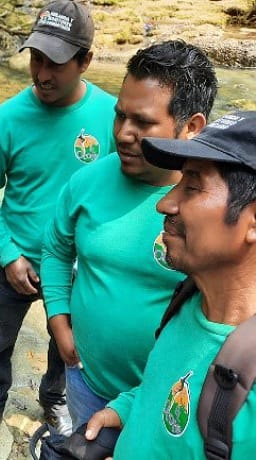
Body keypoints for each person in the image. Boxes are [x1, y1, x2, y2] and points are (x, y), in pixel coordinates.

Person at [41, 39, 217, 434]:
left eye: (143, 122)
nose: (123, 133)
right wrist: (58, 320)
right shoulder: (86, 182)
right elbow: (54, 249)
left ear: (191, 127)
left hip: (167, 401)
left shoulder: (215, 212)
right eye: (120, 116)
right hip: (86, 381)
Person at [0, 0, 116, 455]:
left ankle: (53, 399)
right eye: (36, 58)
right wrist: (7, 255)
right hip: (16, 260)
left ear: (85, 61)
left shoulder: (112, 118)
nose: (41, 73)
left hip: (77, 268)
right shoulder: (7, 120)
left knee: (66, 347)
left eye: (55, 62)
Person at [85, 111, 256, 458]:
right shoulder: (189, 299)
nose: (165, 203)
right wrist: (126, 411)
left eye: (192, 186)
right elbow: (163, 386)